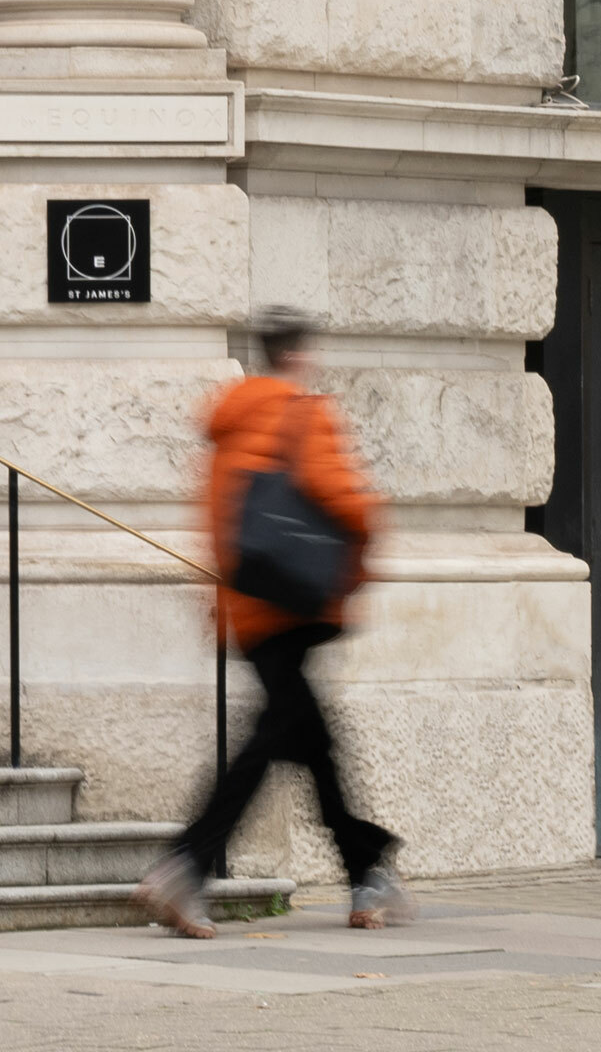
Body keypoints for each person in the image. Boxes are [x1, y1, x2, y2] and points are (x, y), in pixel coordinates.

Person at [136, 311, 413, 939]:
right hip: (298, 602)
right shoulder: (302, 412)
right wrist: (365, 549)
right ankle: (188, 864)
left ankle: (367, 868)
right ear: (295, 356)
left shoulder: (228, 422)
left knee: (312, 743)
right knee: (270, 743)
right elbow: (342, 497)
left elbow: (219, 519)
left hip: (249, 603)